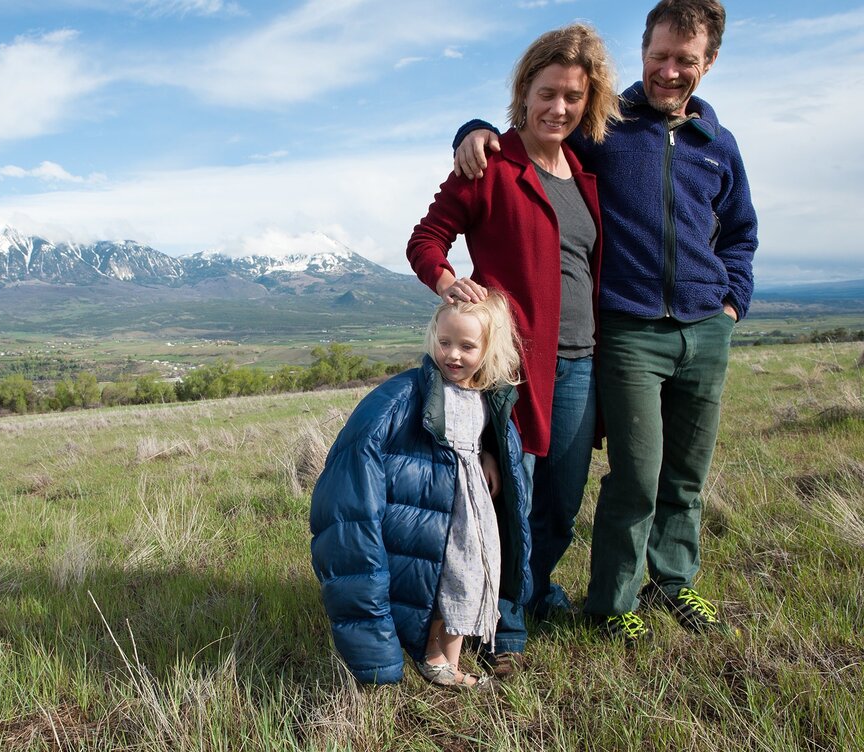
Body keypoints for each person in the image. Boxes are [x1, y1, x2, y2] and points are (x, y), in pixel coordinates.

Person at [452, 0, 757, 642]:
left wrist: (732, 305)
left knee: (686, 474)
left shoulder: (718, 145)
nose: (670, 71)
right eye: (660, 56)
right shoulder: (607, 125)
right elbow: (538, 128)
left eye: (686, 60)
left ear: (711, 62)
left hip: (705, 329)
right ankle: (613, 602)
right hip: (627, 330)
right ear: (642, 51)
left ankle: (674, 585)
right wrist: (472, 128)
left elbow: (740, 233)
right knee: (637, 474)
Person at [406, 23, 622, 673]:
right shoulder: (491, 163)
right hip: (512, 365)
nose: (559, 108)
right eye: (547, 93)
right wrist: (451, 285)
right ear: (524, 92)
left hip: (581, 359)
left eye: (574, 98)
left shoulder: (586, 173)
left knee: (561, 495)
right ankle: (506, 626)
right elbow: (427, 240)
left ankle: (533, 586)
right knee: (511, 498)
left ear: (590, 102)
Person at [309, 294, 530, 689]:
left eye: (467, 346)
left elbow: (479, 437)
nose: (454, 355)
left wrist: (489, 456)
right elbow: (365, 447)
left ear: (488, 349)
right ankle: (434, 656)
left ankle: (452, 659)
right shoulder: (415, 392)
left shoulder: (485, 395)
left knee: (471, 577)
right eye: (445, 342)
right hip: (436, 510)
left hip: (473, 510)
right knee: (442, 582)